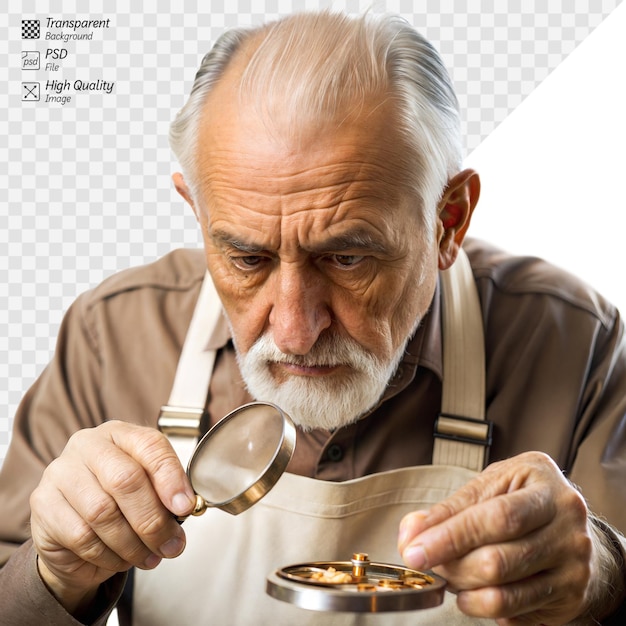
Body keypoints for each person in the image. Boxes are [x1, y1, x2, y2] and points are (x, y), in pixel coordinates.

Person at [1, 10, 625, 625]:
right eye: (247, 256)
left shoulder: (577, 343)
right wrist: (56, 573)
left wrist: (599, 575)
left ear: (448, 220)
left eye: (348, 257)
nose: (295, 329)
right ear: (196, 211)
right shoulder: (108, 336)